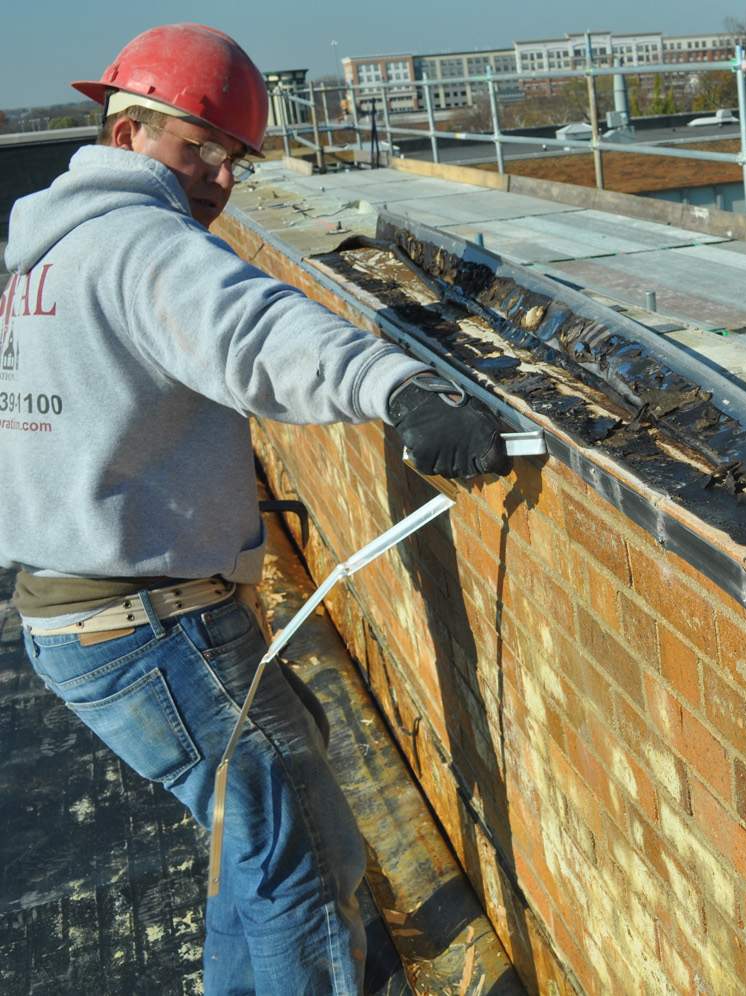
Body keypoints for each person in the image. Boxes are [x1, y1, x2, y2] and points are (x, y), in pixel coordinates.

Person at [0, 23, 510, 994]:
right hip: (151, 627)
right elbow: (257, 330)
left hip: (82, 618)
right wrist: (401, 391)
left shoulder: (41, 258)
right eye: (198, 146)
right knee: (305, 866)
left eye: (231, 157)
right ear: (126, 137)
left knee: (262, 852)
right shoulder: (138, 242)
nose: (219, 178)